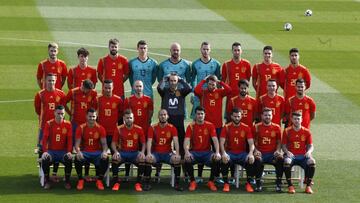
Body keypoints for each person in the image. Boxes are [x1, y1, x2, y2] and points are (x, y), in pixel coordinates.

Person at [183, 107, 221, 192]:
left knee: (217, 159)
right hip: (194, 152)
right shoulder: (191, 126)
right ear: (195, 115)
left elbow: (215, 140)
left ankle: (211, 181)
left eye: (202, 114)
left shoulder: (210, 125)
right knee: (186, 159)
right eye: (198, 114)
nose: (200, 116)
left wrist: (217, 152)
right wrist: (187, 152)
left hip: (207, 153)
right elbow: (186, 141)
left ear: (204, 115)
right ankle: (192, 181)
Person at [144, 109, 183, 191]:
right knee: (148, 159)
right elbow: (149, 141)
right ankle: (147, 183)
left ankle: (177, 184)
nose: (163, 116)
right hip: (156, 154)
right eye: (161, 115)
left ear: (167, 116)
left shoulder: (172, 128)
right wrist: (148, 153)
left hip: (167, 154)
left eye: (164, 115)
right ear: (158, 116)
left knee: (177, 160)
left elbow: (176, 142)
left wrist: (177, 154)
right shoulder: (153, 127)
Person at [219, 108, 256, 193]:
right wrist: (223, 153)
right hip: (230, 153)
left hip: (242, 153)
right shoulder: (226, 127)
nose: (236, 118)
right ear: (231, 116)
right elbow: (221, 142)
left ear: (241, 116)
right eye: (235, 116)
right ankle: (226, 183)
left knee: (251, 160)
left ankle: (248, 184)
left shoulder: (246, 127)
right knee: (224, 160)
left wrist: (250, 153)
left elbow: (251, 143)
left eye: (238, 116)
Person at [157, 73, 192, 159]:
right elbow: (159, 88)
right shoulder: (165, 91)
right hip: (167, 121)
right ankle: (158, 171)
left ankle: (183, 168)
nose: (173, 82)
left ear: (177, 82)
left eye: (175, 81)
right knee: (163, 144)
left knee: (181, 144)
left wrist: (181, 80)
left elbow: (189, 88)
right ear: (168, 82)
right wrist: (164, 79)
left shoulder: (180, 92)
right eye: (171, 81)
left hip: (178, 120)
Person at [111, 109, 146, 192]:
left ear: (133, 118)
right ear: (124, 118)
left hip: (134, 153)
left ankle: (138, 183)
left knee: (142, 159)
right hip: (122, 153)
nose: (129, 120)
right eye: (127, 118)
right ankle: (116, 183)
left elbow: (144, 143)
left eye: (130, 118)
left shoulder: (139, 129)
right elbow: (113, 143)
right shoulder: (119, 129)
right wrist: (116, 152)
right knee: (115, 158)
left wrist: (142, 152)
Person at [74, 108, 109, 191]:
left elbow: (104, 144)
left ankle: (99, 180)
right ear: (86, 116)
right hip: (84, 153)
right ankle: (80, 180)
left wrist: (104, 152)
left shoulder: (101, 128)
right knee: (77, 158)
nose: (92, 118)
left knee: (106, 158)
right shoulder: (81, 128)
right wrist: (78, 152)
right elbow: (77, 144)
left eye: (93, 116)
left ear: (96, 116)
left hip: (96, 153)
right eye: (90, 116)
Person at [282, 112, 316, 194]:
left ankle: (308, 186)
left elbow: (311, 146)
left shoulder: (306, 132)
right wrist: (287, 152)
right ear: (292, 120)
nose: (297, 121)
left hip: (303, 156)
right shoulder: (286, 131)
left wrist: (309, 152)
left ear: (301, 120)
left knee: (312, 162)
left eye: (298, 119)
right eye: (295, 119)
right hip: (291, 156)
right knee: (287, 162)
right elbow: (283, 146)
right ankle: (290, 186)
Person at [41, 105, 72, 190]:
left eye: (62, 113)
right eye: (58, 113)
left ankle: (67, 181)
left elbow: (69, 140)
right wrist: (45, 151)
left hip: (63, 152)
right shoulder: (49, 124)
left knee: (69, 159)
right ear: (54, 113)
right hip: (52, 152)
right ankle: (47, 181)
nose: (60, 115)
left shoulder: (68, 124)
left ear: (64, 113)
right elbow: (45, 139)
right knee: (45, 159)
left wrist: (69, 151)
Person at [253, 108, 283, 192]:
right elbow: (252, 142)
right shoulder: (256, 127)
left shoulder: (277, 127)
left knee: (280, 159)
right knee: (257, 160)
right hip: (261, 153)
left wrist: (278, 150)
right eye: (265, 115)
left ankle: (278, 184)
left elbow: (279, 142)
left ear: (272, 116)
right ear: (262, 116)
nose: (267, 117)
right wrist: (255, 150)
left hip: (272, 154)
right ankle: (258, 184)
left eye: (269, 115)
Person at [34, 74, 66, 150]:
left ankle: (55, 161)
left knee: (57, 146)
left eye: (53, 80)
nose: (51, 82)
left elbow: (63, 109)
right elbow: (37, 109)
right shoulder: (40, 94)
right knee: (42, 148)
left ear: (55, 81)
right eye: (49, 80)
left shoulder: (61, 94)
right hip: (44, 124)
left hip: (57, 124)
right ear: (45, 81)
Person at [190, 41, 221, 119]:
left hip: (211, 94)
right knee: (196, 116)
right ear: (200, 49)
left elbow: (219, 81)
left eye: (207, 49)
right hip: (199, 93)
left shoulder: (216, 64)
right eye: (204, 49)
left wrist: (219, 93)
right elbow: (193, 80)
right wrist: (192, 93)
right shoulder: (195, 64)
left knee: (211, 115)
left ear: (210, 50)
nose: (205, 51)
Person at [97, 79, 123, 149]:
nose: (108, 90)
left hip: (113, 132)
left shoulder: (118, 100)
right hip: (101, 131)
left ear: (113, 87)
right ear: (103, 87)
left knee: (115, 155)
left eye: (109, 88)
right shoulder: (98, 99)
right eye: (106, 88)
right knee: (101, 156)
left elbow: (121, 113)